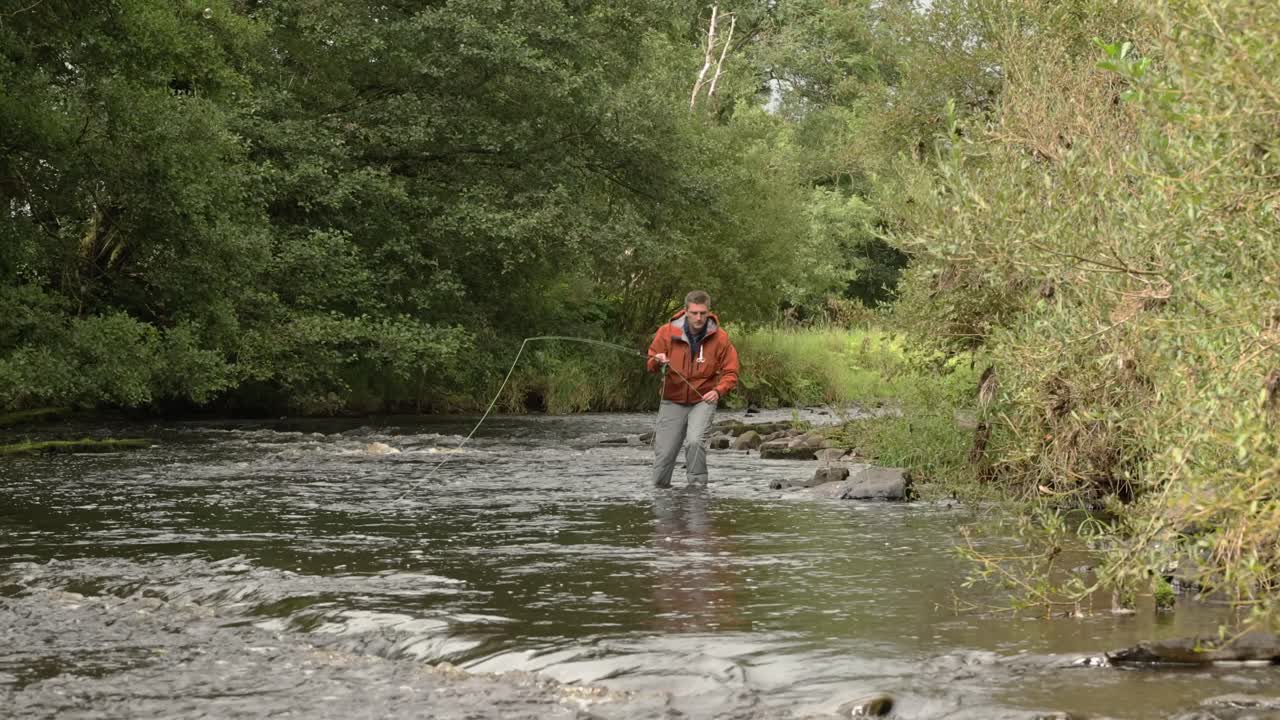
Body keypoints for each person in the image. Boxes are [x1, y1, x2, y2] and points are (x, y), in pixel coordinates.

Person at [646, 290, 740, 488]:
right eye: (694, 313)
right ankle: (660, 495)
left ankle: (697, 492)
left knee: (694, 443)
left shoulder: (720, 337)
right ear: (686, 312)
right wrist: (657, 360)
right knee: (665, 454)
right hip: (672, 398)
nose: (699, 318)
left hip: (703, 400)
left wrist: (718, 391)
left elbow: (731, 372)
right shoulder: (666, 332)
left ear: (708, 312)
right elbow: (651, 364)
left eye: (703, 313)